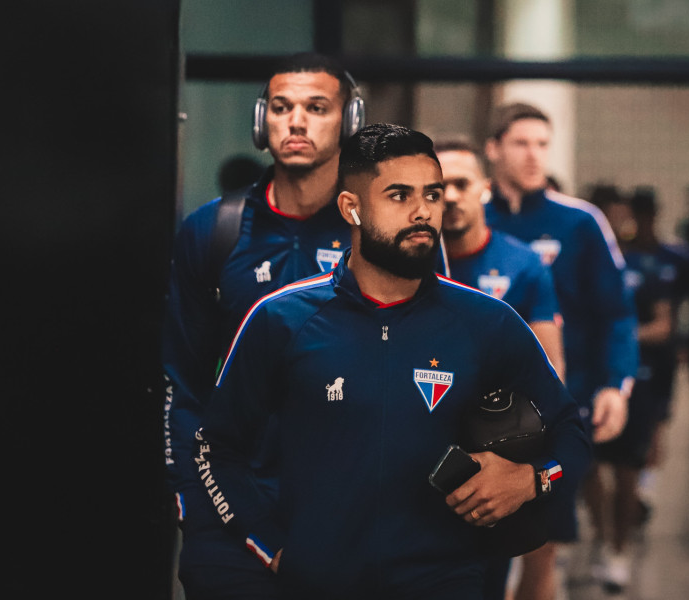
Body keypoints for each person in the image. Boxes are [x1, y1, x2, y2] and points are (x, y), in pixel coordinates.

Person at [195, 123, 592, 599]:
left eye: (432, 194)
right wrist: (269, 545)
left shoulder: (488, 322)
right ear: (352, 207)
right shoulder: (282, 319)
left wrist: (531, 479)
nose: (423, 211)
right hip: (316, 584)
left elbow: (570, 432)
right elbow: (216, 448)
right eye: (399, 195)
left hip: (447, 584)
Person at [162, 52, 364, 598]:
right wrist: (193, 501)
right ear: (261, 120)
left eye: (316, 108)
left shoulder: (377, 231)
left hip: (349, 513)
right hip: (230, 511)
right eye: (280, 107)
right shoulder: (214, 230)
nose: (295, 121)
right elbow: (182, 383)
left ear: (350, 122)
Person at [482, 103, 639, 600]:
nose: (534, 155)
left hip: (562, 402)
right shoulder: (469, 216)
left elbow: (617, 312)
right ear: (493, 148)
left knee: (543, 541)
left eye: (542, 144)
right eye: (521, 143)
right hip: (476, 406)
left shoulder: (580, 222)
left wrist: (615, 385)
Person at [435, 137, 565, 599]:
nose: (450, 197)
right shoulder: (407, 263)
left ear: (485, 189)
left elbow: (551, 371)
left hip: (493, 453)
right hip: (416, 449)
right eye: (438, 188)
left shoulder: (522, 264)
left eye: (461, 184)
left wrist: (531, 465)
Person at [582, 187, 689, 592]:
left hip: (637, 376)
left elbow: (663, 324)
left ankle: (619, 548)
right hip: (588, 376)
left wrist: (619, 337)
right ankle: (601, 537)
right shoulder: (585, 262)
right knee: (587, 465)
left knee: (628, 465)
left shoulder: (649, 266)